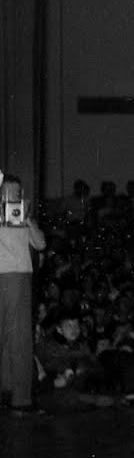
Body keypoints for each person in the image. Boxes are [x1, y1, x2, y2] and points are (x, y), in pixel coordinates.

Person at [0, 175, 46, 415]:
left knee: (20, 339)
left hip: (21, 279)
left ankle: (19, 398)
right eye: (8, 192)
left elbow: (41, 244)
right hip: (2, 276)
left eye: (17, 192)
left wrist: (28, 220)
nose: (13, 196)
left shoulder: (23, 217)